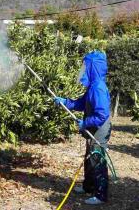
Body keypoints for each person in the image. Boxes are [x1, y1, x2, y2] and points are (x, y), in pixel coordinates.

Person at [55, 50, 111, 205]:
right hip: (94, 126)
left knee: (97, 159)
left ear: (93, 67)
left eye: (86, 66)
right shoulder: (93, 86)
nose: (83, 69)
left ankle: (101, 195)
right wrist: (65, 102)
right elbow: (80, 103)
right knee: (89, 158)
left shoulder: (98, 88)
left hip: (99, 129)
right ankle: (88, 186)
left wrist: (85, 123)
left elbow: (102, 115)